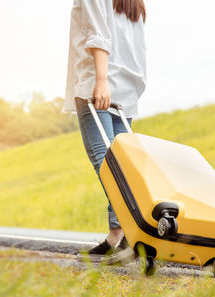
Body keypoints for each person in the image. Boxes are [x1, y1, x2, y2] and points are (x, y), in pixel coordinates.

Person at [64, 0, 147, 255]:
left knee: (106, 161)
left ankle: (132, 232)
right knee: (122, 164)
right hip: (126, 87)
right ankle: (117, 235)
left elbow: (97, 35)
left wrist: (100, 81)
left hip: (97, 84)